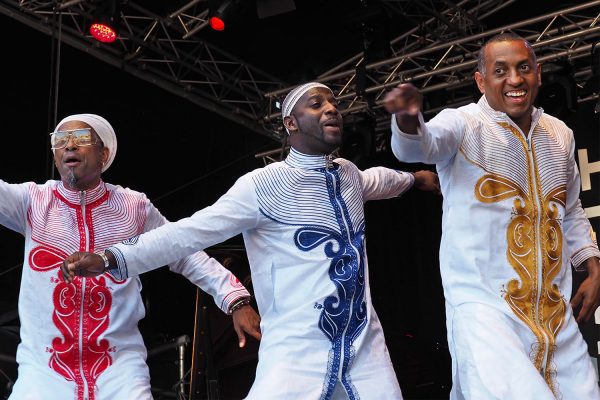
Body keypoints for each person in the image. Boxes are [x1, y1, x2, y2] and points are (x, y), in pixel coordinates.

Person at [62, 82, 440, 399]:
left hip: (365, 349)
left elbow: (385, 180)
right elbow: (188, 232)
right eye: (317, 104)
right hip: (295, 353)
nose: (332, 109)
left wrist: (419, 179)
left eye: (334, 103)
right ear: (291, 123)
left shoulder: (349, 175)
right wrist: (112, 258)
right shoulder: (263, 185)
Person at [384, 33, 600, 399]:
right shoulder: (463, 123)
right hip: (484, 310)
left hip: (553, 316)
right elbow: (421, 145)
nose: (514, 80)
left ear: (539, 73)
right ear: (481, 80)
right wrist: (408, 120)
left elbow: (571, 208)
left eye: (523, 68)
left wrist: (593, 266)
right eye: (500, 71)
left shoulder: (559, 133)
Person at [2, 114, 261, 400]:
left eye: (82, 139)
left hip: (119, 369)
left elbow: (182, 251)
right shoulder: (32, 201)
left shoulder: (133, 206)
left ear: (104, 154)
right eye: (60, 141)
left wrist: (235, 299)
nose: (70, 146)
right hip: (43, 370)